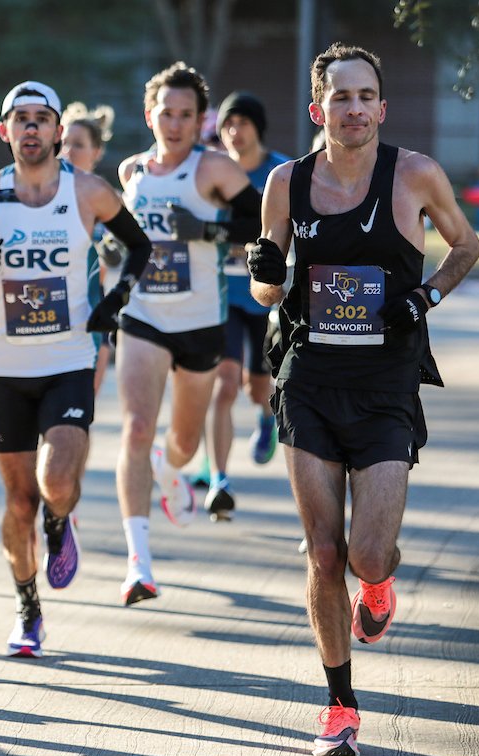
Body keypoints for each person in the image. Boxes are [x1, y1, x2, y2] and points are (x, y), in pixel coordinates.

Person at [248, 43, 479, 756]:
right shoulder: (286, 182)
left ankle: (377, 587)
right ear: (319, 109)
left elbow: (464, 246)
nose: (353, 109)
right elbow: (267, 289)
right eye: (339, 98)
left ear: (382, 106)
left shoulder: (414, 174)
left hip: (384, 386)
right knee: (323, 554)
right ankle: (339, 708)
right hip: (310, 380)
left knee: (368, 554)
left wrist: (423, 297)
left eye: (365, 97)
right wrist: (264, 274)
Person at [0, 81, 152, 657]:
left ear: (56, 130)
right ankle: (28, 608)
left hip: (70, 356)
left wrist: (115, 302)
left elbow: (139, 248)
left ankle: (59, 521)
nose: (31, 128)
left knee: (56, 483)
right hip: (3, 363)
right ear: (5, 131)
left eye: (41, 118)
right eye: (20, 119)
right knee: (18, 499)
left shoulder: (89, 191)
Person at [90, 63, 260, 605]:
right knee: (136, 428)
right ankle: (139, 562)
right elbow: (122, 237)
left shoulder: (214, 168)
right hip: (142, 317)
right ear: (150, 115)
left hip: (201, 326)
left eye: (187, 114)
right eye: (167, 112)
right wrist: (115, 251)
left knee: (184, 446)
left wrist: (206, 230)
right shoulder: (132, 171)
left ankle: (169, 469)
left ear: (200, 119)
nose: (176, 122)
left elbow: (259, 223)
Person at [192, 92, 292, 521]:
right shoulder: (212, 170)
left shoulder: (281, 171)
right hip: (225, 295)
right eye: (228, 124)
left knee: (257, 388)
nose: (235, 131)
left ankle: (266, 418)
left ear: (258, 128)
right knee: (225, 383)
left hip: (267, 296)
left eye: (243, 123)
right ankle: (219, 479)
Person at [60, 101, 122, 396]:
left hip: (93, 307)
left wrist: (111, 252)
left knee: (83, 410)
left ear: (96, 152)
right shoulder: (41, 194)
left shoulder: (107, 198)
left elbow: (125, 251)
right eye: (64, 143)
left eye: (78, 144)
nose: (69, 151)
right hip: (50, 307)